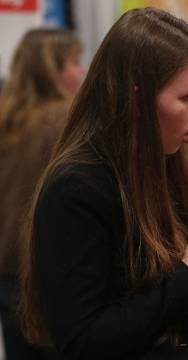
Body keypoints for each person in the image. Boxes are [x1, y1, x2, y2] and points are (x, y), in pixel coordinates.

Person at [19, 8, 188, 359]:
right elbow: (84, 341)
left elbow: (148, 297)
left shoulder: (160, 164)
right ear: (136, 99)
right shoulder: (76, 188)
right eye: (187, 96)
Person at [0, 28, 83, 360]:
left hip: (6, 272)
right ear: (53, 69)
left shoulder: (7, 120)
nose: (82, 71)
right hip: (47, 273)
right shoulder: (64, 119)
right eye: (75, 62)